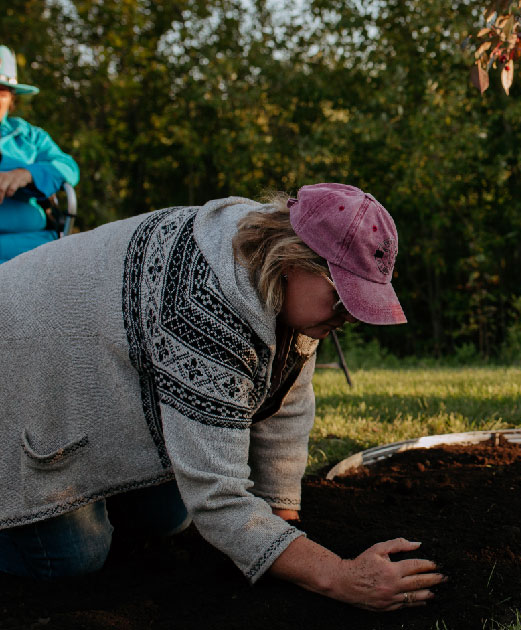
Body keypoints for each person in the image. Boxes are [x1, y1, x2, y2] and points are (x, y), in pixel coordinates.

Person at [0, 183, 446, 611]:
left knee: (169, 518)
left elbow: (287, 402)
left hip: (85, 364)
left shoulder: (280, 286)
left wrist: (282, 523)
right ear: (293, 259)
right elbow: (217, 496)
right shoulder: (202, 303)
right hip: (22, 363)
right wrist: (338, 576)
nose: (348, 316)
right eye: (341, 297)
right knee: (73, 559)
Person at [0, 44, 80, 262]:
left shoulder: (30, 136)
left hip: (31, 244)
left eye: (1, 92)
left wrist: (26, 174)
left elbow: (68, 167)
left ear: (12, 98)